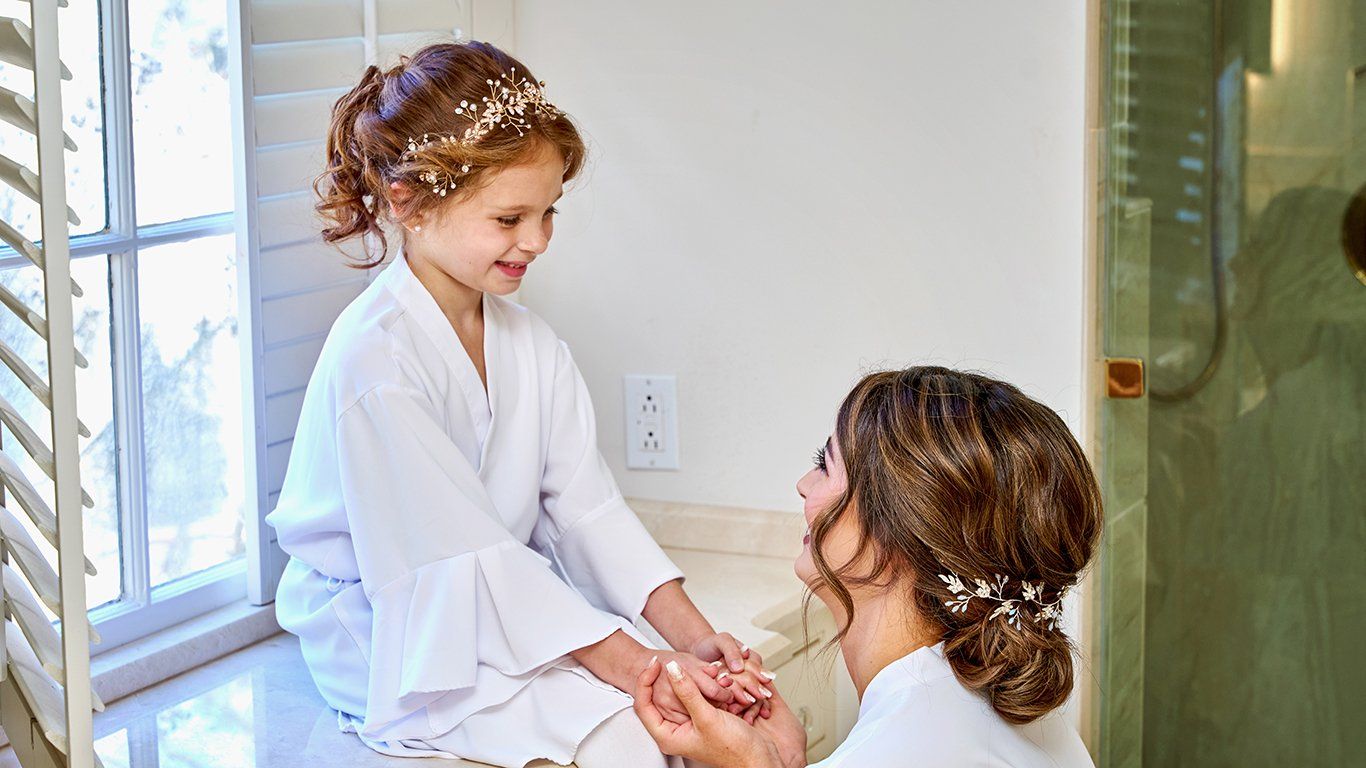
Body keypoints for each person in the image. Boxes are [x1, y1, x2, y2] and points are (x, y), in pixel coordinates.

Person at [265, 41, 772, 768]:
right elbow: (462, 558)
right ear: (407, 202)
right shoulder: (376, 361)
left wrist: (693, 639)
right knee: (629, 737)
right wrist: (645, 669)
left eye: (548, 213)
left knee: (669, 723)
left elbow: (586, 509)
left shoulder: (530, 344)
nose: (536, 241)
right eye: (509, 219)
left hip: (499, 596)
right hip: (386, 623)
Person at [635, 367, 1103, 767]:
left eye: (824, 464)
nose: (802, 485)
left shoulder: (893, 747)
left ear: (895, 534)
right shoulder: (1028, 717)